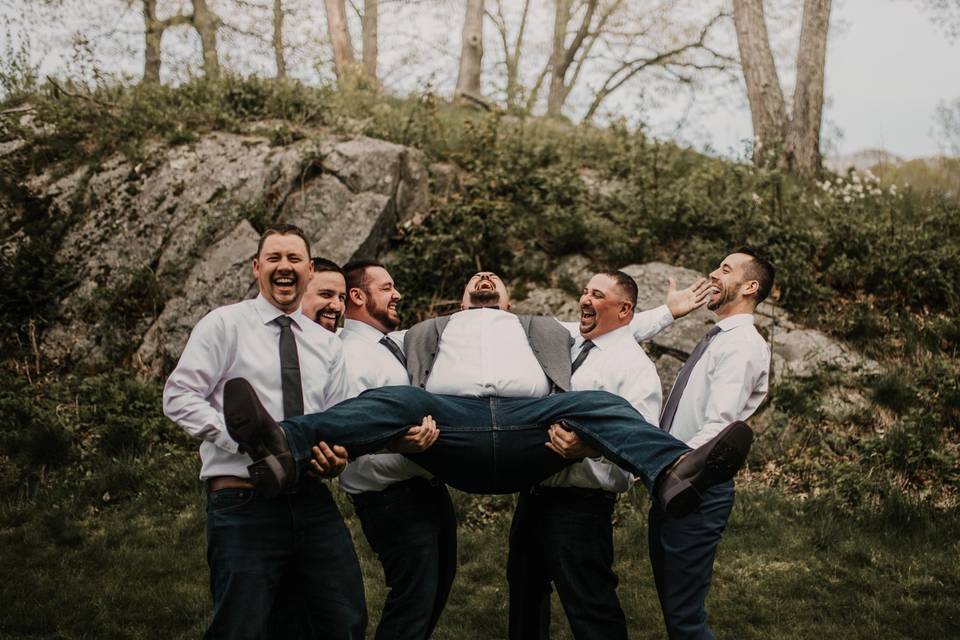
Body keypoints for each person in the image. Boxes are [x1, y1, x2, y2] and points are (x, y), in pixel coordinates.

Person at [223, 271, 754, 518]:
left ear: (507, 299)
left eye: (493, 280)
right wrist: (317, 313)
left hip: (530, 431)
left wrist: (672, 312)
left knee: (600, 404)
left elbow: (612, 330)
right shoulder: (430, 331)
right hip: (454, 431)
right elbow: (362, 333)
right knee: (396, 399)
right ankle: (281, 449)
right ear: (460, 300)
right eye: (475, 280)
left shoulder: (539, 326)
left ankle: (674, 472)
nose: (483, 279)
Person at [162, 223, 366, 640]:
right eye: (274, 258)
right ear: (257, 268)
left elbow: (337, 416)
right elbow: (179, 396)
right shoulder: (224, 325)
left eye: (294, 259)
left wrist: (336, 455)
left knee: (342, 617)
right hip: (242, 498)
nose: (284, 266)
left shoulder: (326, 344)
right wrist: (240, 438)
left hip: (309, 497)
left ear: (309, 271)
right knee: (243, 626)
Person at [507, 270, 665, 640]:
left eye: (596, 295)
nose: (584, 300)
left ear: (624, 310)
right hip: (532, 496)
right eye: (584, 292)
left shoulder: (636, 369)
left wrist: (589, 448)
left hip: (581, 507)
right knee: (524, 598)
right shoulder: (570, 344)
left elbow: (640, 446)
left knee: (591, 609)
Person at [648, 248, 773, 640]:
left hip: (695, 486)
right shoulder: (719, 338)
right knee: (675, 609)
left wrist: (671, 472)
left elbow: (718, 426)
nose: (713, 274)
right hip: (676, 480)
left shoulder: (742, 345)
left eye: (725, 269)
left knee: (685, 617)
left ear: (750, 286)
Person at [334, 260, 457, 640]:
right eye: (386, 287)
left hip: (427, 490)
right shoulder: (348, 356)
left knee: (435, 590)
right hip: (390, 499)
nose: (397, 294)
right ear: (357, 295)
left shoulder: (391, 343)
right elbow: (348, 424)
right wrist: (396, 441)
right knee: (413, 601)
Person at [300, 257, 347, 333]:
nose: (337, 306)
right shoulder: (276, 338)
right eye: (326, 294)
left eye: (341, 298)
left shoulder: (340, 343)